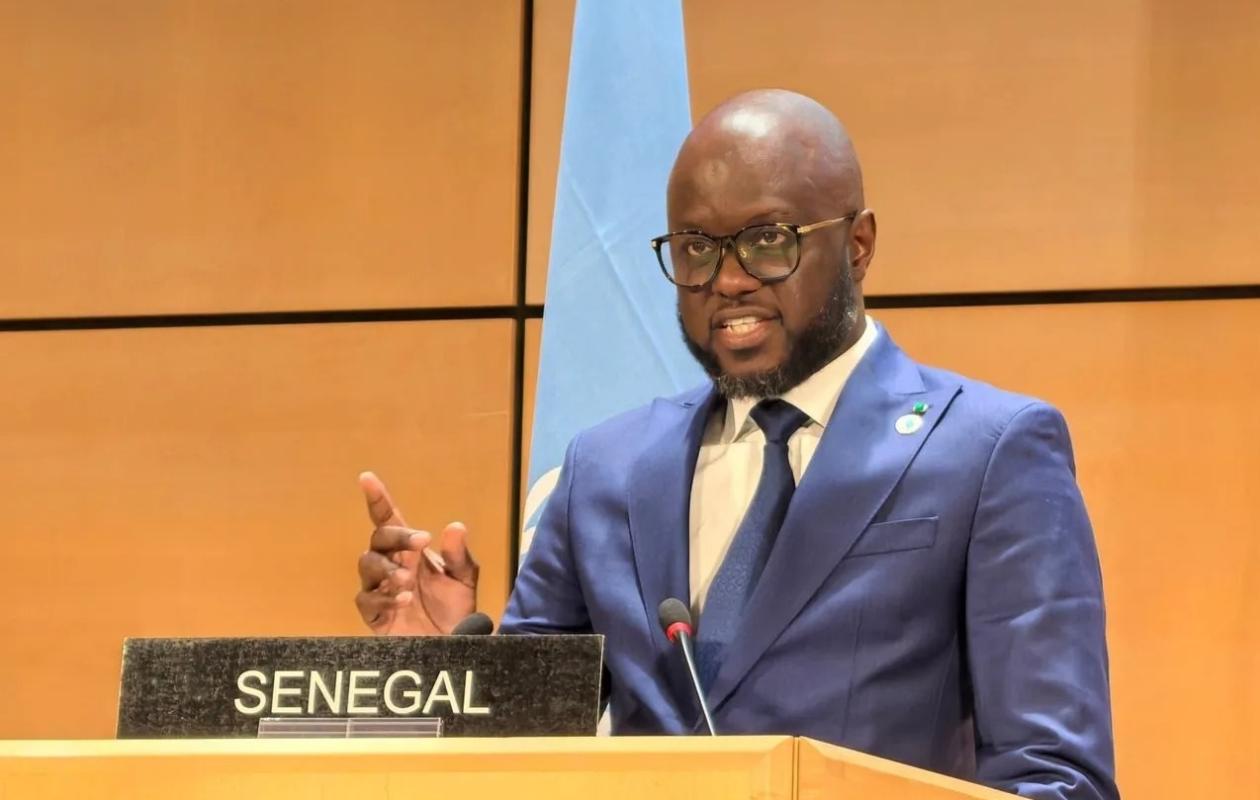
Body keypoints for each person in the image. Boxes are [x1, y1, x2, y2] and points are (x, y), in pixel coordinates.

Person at [354, 89, 1119, 800]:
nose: (727, 280)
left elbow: (1054, 776)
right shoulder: (604, 470)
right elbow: (518, 759)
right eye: (696, 247)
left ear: (858, 245)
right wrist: (441, 673)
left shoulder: (987, 453)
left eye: (767, 240)